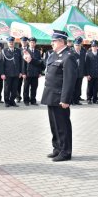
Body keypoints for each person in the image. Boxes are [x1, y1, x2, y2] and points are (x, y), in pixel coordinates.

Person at [24, 29, 77, 161]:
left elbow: (69, 80)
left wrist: (65, 99)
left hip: (60, 97)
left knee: (63, 125)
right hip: (50, 95)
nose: (51, 43)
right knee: (54, 125)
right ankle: (57, 148)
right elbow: (43, 65)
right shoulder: (53, 55)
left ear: (61, 41)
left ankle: (65, 152)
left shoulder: (68, 56)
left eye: (53, 41)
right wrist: (31, 60)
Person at [0, 36, 22, 107]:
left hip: (16, 73)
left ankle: (12, 101)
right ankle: (7, 101)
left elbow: (20, 62)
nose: (11, 43)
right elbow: (1, 63)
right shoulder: (3, 51)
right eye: (10, 42)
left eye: (12, 42)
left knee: (14, 89)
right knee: (7, 89)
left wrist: (21, 72)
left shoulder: (18, 51)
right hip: (7, 74)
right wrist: (2, 73)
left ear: (14, 42)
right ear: (7, 43)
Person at [21, 37, 42, 106]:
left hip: (35, 73)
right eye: (31, 42)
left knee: (34, 87)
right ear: (28, 43)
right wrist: (23, 73)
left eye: (33, 42)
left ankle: (33, 100)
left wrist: (39, 72)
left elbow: (39, 63)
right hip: (27, 73)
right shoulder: (25, 51)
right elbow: (23, 63)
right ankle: (26, 100)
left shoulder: (37, 52)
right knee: (26, 88)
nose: (32, 44)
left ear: (35, 44)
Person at [84, 40, 98, 104]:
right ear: (91, 47)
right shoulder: (88, 54)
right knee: (90, 87)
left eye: (95, 46)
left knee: (96, 87)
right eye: (93, 46)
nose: (94, 47)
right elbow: (86, 65)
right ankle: (89, 99)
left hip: (97, 74)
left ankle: (95, 99)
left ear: (97, 47)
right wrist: (87, 74)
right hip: (90, 74)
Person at [71, 37, 86, 105]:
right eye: (76, 45)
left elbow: (84, 63)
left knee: (78, 87)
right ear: (74, 45)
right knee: (72, 87)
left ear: (81, 45)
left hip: (80, 73)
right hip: (73, 73)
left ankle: (77, 100)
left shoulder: (83, 52)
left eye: (79, 45)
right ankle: (72, 100)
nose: (77, 46)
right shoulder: (71, 52)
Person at [16, 36, 29, 103]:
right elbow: (17, 62)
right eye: (22, 41)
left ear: (27, 42)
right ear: (20, 42)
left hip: (28, 71)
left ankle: (26, 98)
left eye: (25, 41)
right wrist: (19, 72)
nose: (24, 43)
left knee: (26, 85)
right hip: (20, 71)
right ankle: (18, 97)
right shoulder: (18, 50)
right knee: (18, 85)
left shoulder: (30, 50)